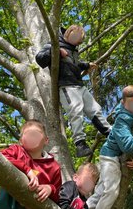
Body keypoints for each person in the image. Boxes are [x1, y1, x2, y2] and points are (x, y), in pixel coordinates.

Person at [35, 24, 110, 160]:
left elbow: (73, 64)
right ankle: (80, 143)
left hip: (79, 84)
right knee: (76, 110)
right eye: (76, 38)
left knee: (94, 109)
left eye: (79, 41)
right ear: (69, 33)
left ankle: (109, 133)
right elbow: (40, 58)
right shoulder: (55, 43)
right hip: (66, 86)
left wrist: (86, 65)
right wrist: (55, 51)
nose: (77, 42)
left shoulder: (73, 50)